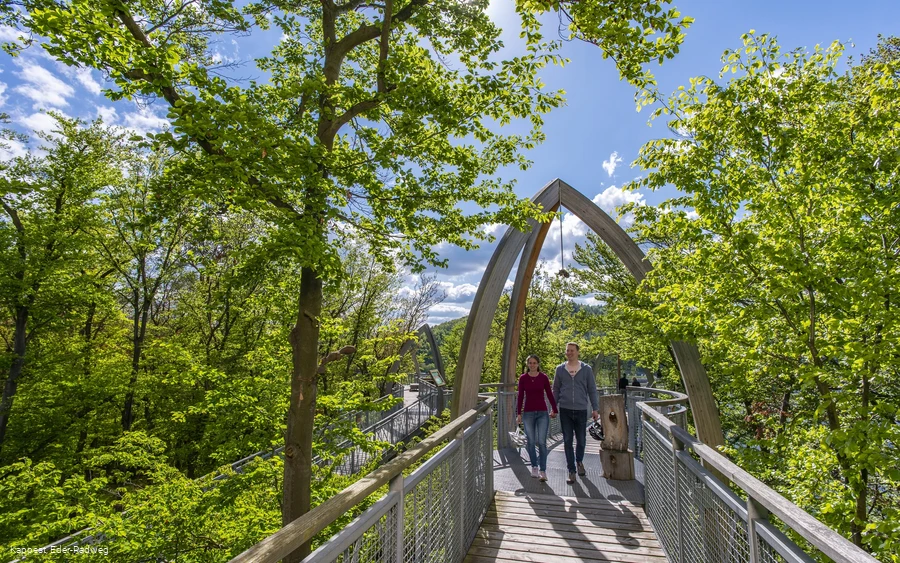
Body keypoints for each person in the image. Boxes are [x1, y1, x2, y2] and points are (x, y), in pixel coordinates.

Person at [553, 342, 599, 484]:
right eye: (567, 350)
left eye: (572, 350)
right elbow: (556, 389)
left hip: (581, 409)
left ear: (578, 352)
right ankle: (571, 470)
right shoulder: (560, 369)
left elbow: (592, 389)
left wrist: (595, 408)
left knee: (581, 440)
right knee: (567, 440)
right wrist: (554, 407)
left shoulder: (586, 369)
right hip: (565, 409)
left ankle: (579, 461)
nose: (569, 353)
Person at [515, 355, 558, 482]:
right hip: (528, 413)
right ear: (527, 364)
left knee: (542, 442)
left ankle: (543, 470)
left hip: (542, 413)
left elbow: (549, 394)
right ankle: (534, 466)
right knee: (531, 441)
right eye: (530, 363)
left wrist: (554, 409)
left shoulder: (543, 377)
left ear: (538, 364)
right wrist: (519, 413)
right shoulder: (523, 378)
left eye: (534, 363)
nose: (532, 365)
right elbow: (520, 396)